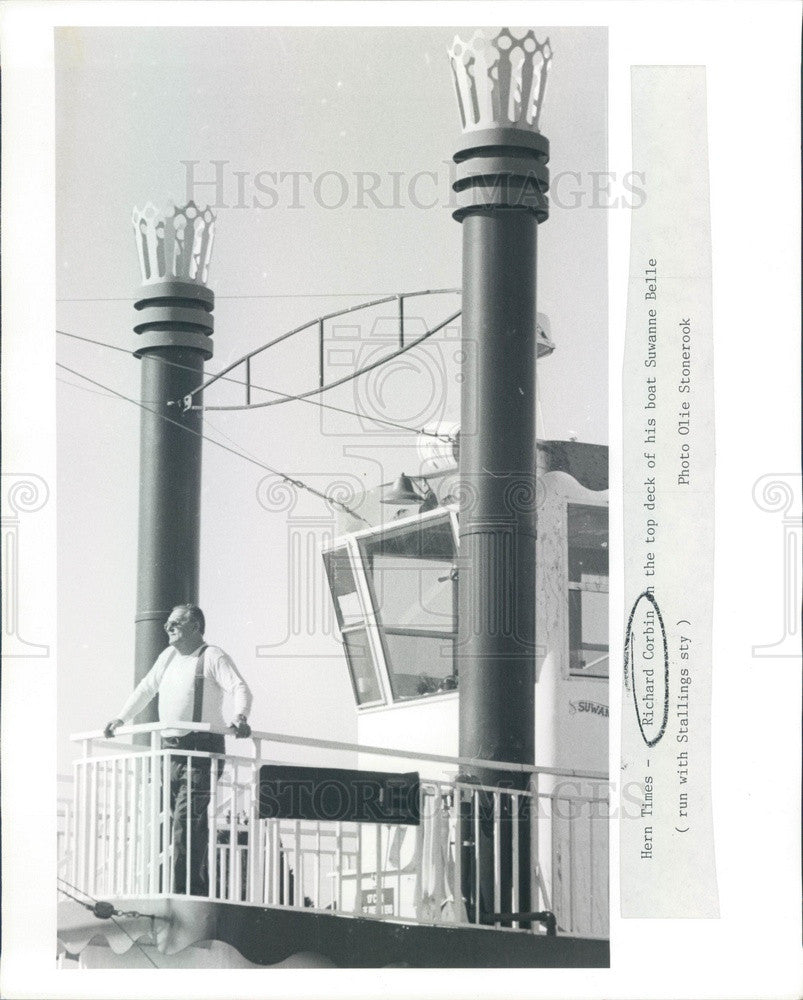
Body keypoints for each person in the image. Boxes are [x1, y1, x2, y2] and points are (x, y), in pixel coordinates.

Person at [104, 604, 252, 896]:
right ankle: (195, 888)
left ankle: (185, 893)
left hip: (201, 752)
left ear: (195, 625)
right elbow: (146, 688)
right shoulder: (169, 656)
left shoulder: (212, 656)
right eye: (167, 622)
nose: (167, 627)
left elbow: (239, 688)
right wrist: (121, 717)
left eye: (175, 623)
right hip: (172, 752)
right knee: (186, 822)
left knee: (187, 820)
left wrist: (240, 717)